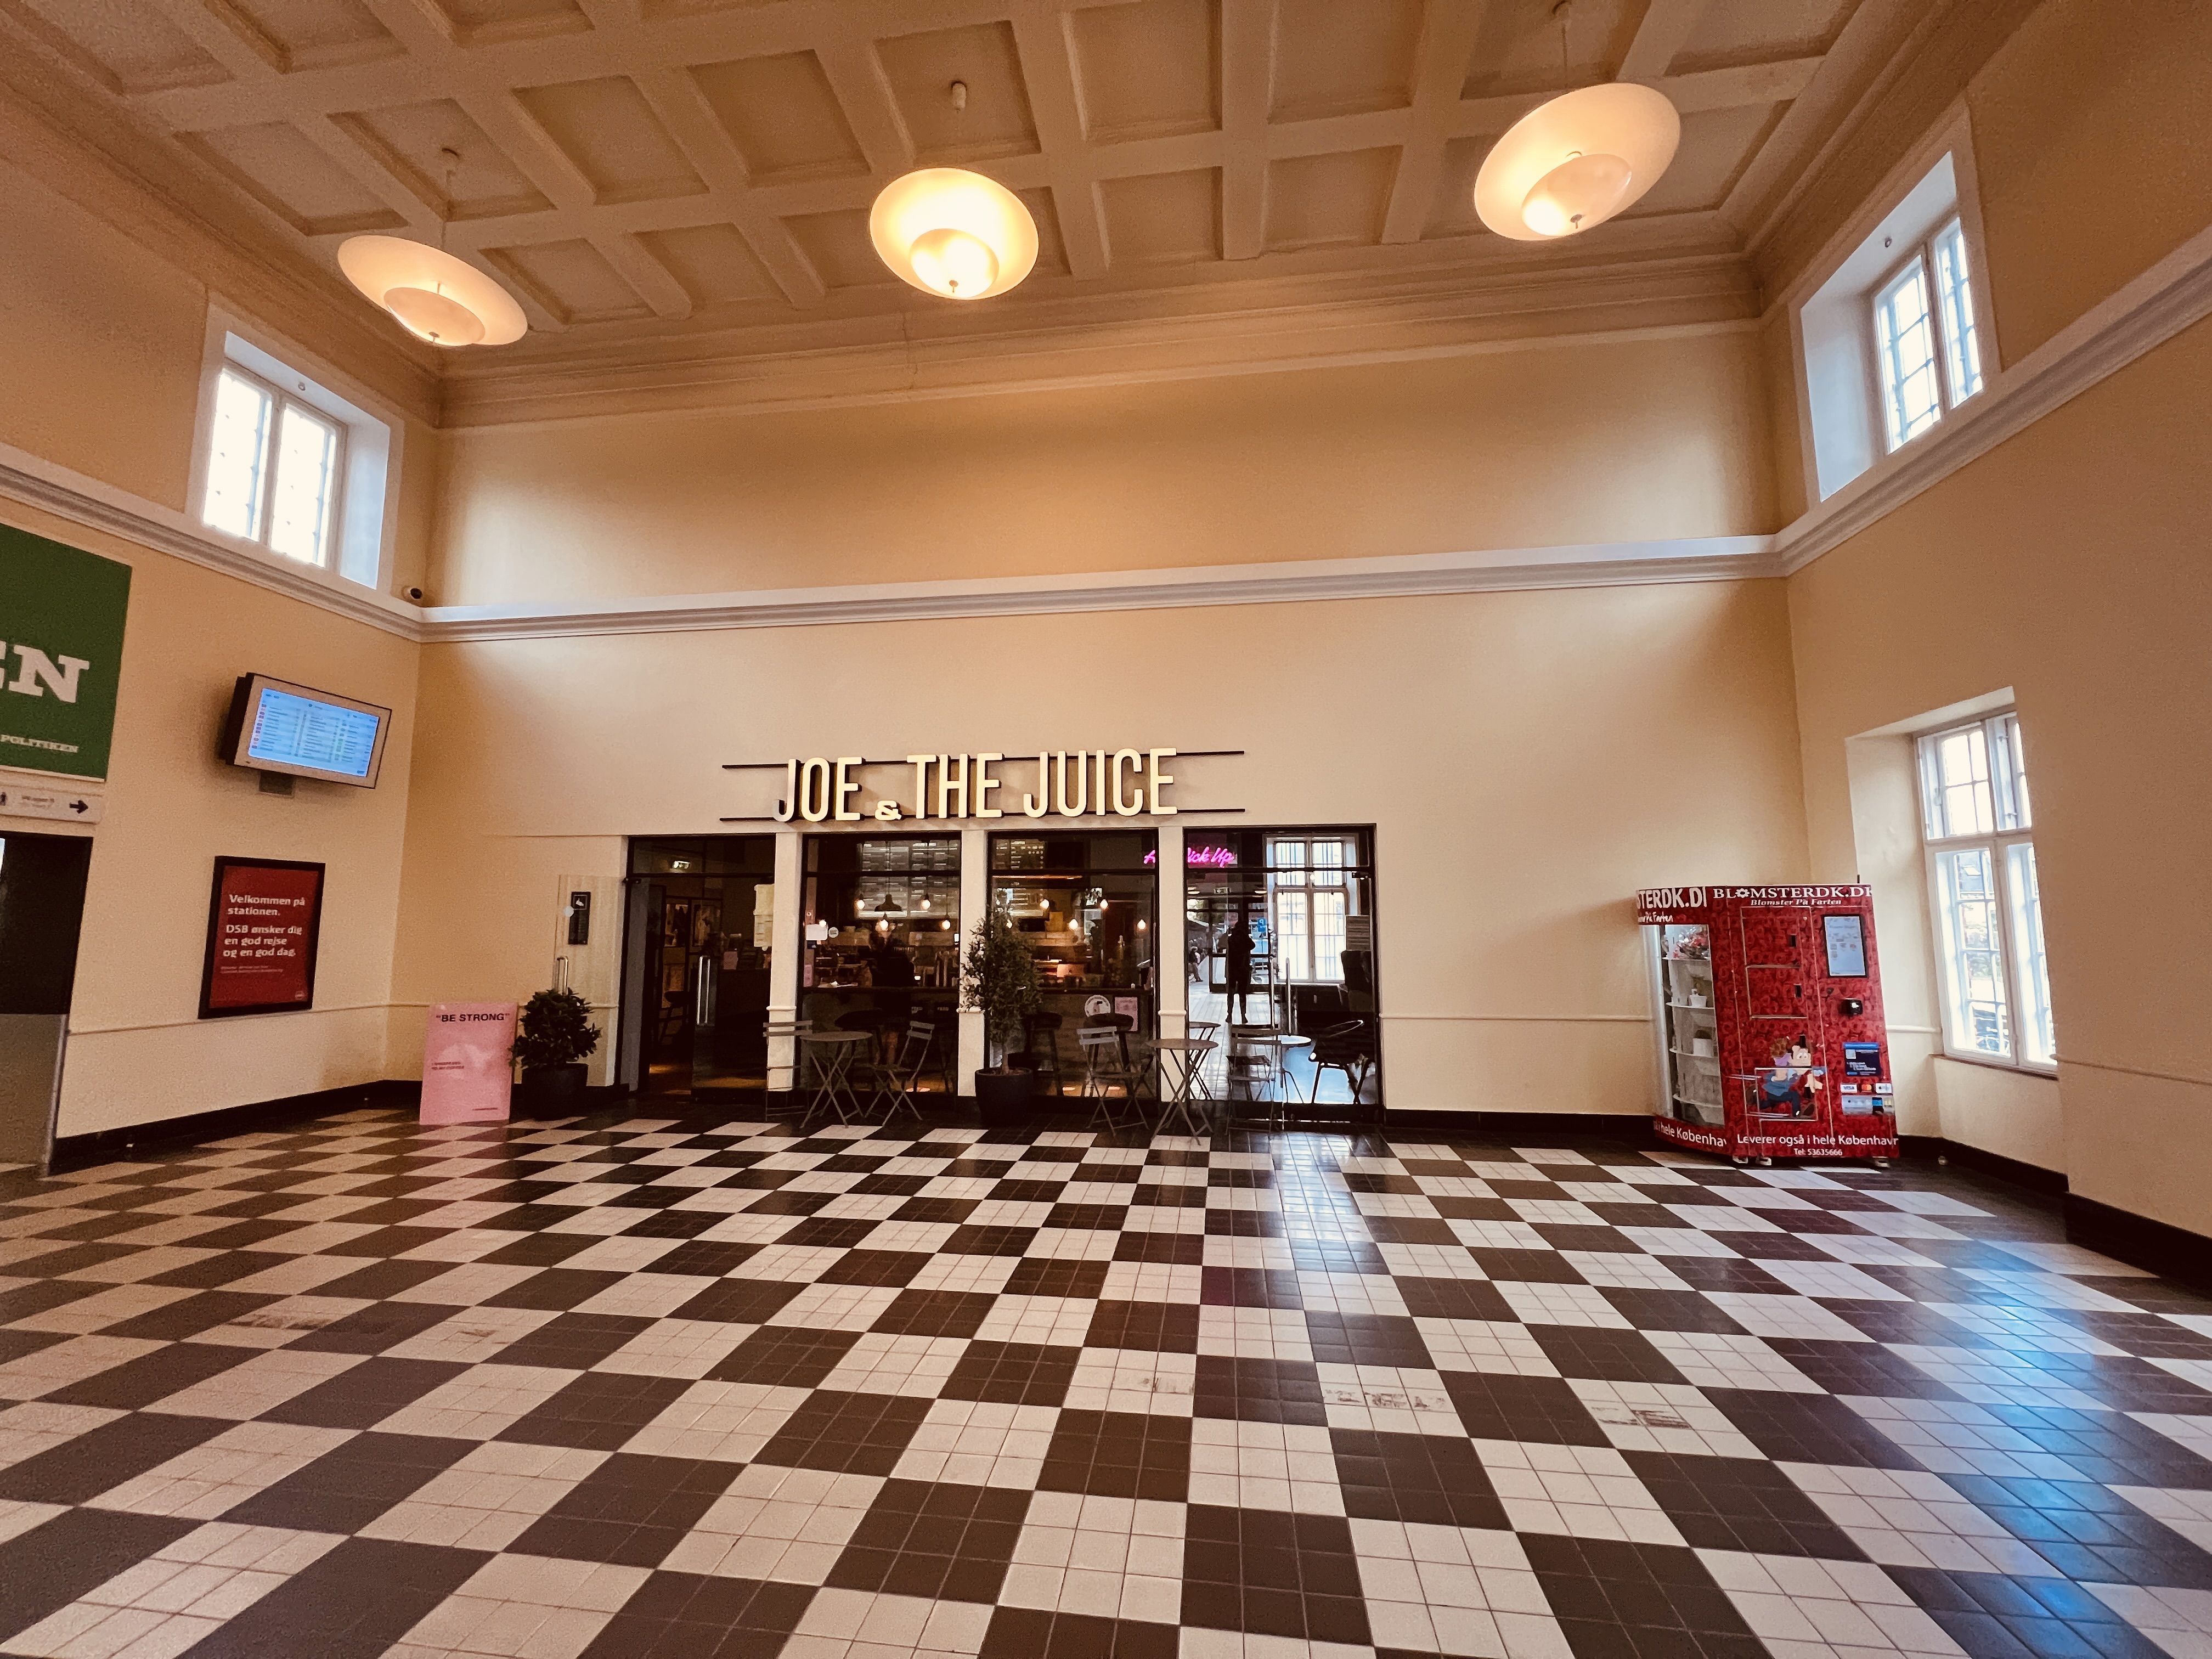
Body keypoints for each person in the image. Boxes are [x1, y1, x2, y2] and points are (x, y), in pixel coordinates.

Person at [873, 936, 915, 1063]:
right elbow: (912, 984)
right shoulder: (907, 965)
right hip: (901, 1005)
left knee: (883, 1035)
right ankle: (890, 1068)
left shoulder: (882, 965)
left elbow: (876, 982)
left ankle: (877, 1065)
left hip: (883, 1005)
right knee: (893, 1036)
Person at [1224, 918, 1255, 1023]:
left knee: (1231, 993)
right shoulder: (1245, 940)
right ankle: (1243, 1015)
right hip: (1242, 969)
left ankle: (1229, 1015)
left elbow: (1222, 944)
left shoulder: (1231, 939)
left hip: (1232, 969)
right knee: (1242, 994)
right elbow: (1252, 945)